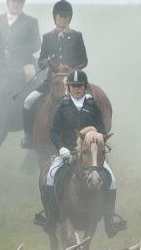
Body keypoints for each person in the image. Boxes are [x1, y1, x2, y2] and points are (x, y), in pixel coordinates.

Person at [36, 70, 126, 238]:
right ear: (69, 88)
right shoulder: (62, 106)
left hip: (90, 153)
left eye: (80, 86)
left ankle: (109, 221)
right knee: (49, 176)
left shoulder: (93, 106)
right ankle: (49, 219)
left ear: (85, 88)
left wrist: (96, 141)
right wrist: (61, 148)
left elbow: (102, 128)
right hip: (67, 152)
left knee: (112, 180)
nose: (77, 89)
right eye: (74, 86)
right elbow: (54, 131)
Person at [21, 0, 88, 148]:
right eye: (59, 17)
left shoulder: (77, 36)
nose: (62, 20)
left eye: (65, 17)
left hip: (74, 82)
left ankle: (92, 136)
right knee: (28, 101)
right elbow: (40, 61)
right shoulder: (47, 37)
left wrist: (71, 70)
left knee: (90, 102)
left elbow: (84, 61)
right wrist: (46, 62)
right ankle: (28, 137)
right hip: (51, 82)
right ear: (55, 18)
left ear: (69, 18)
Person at [0, 0, 41, 88]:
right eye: (14, 0)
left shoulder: (31, 21)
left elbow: (37, 43)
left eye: (19, 1)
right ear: (8, 1)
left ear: (23, 3)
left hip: (23, 61)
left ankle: (29, 102)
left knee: (31, 75)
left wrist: (19, 50)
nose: (16, 4)